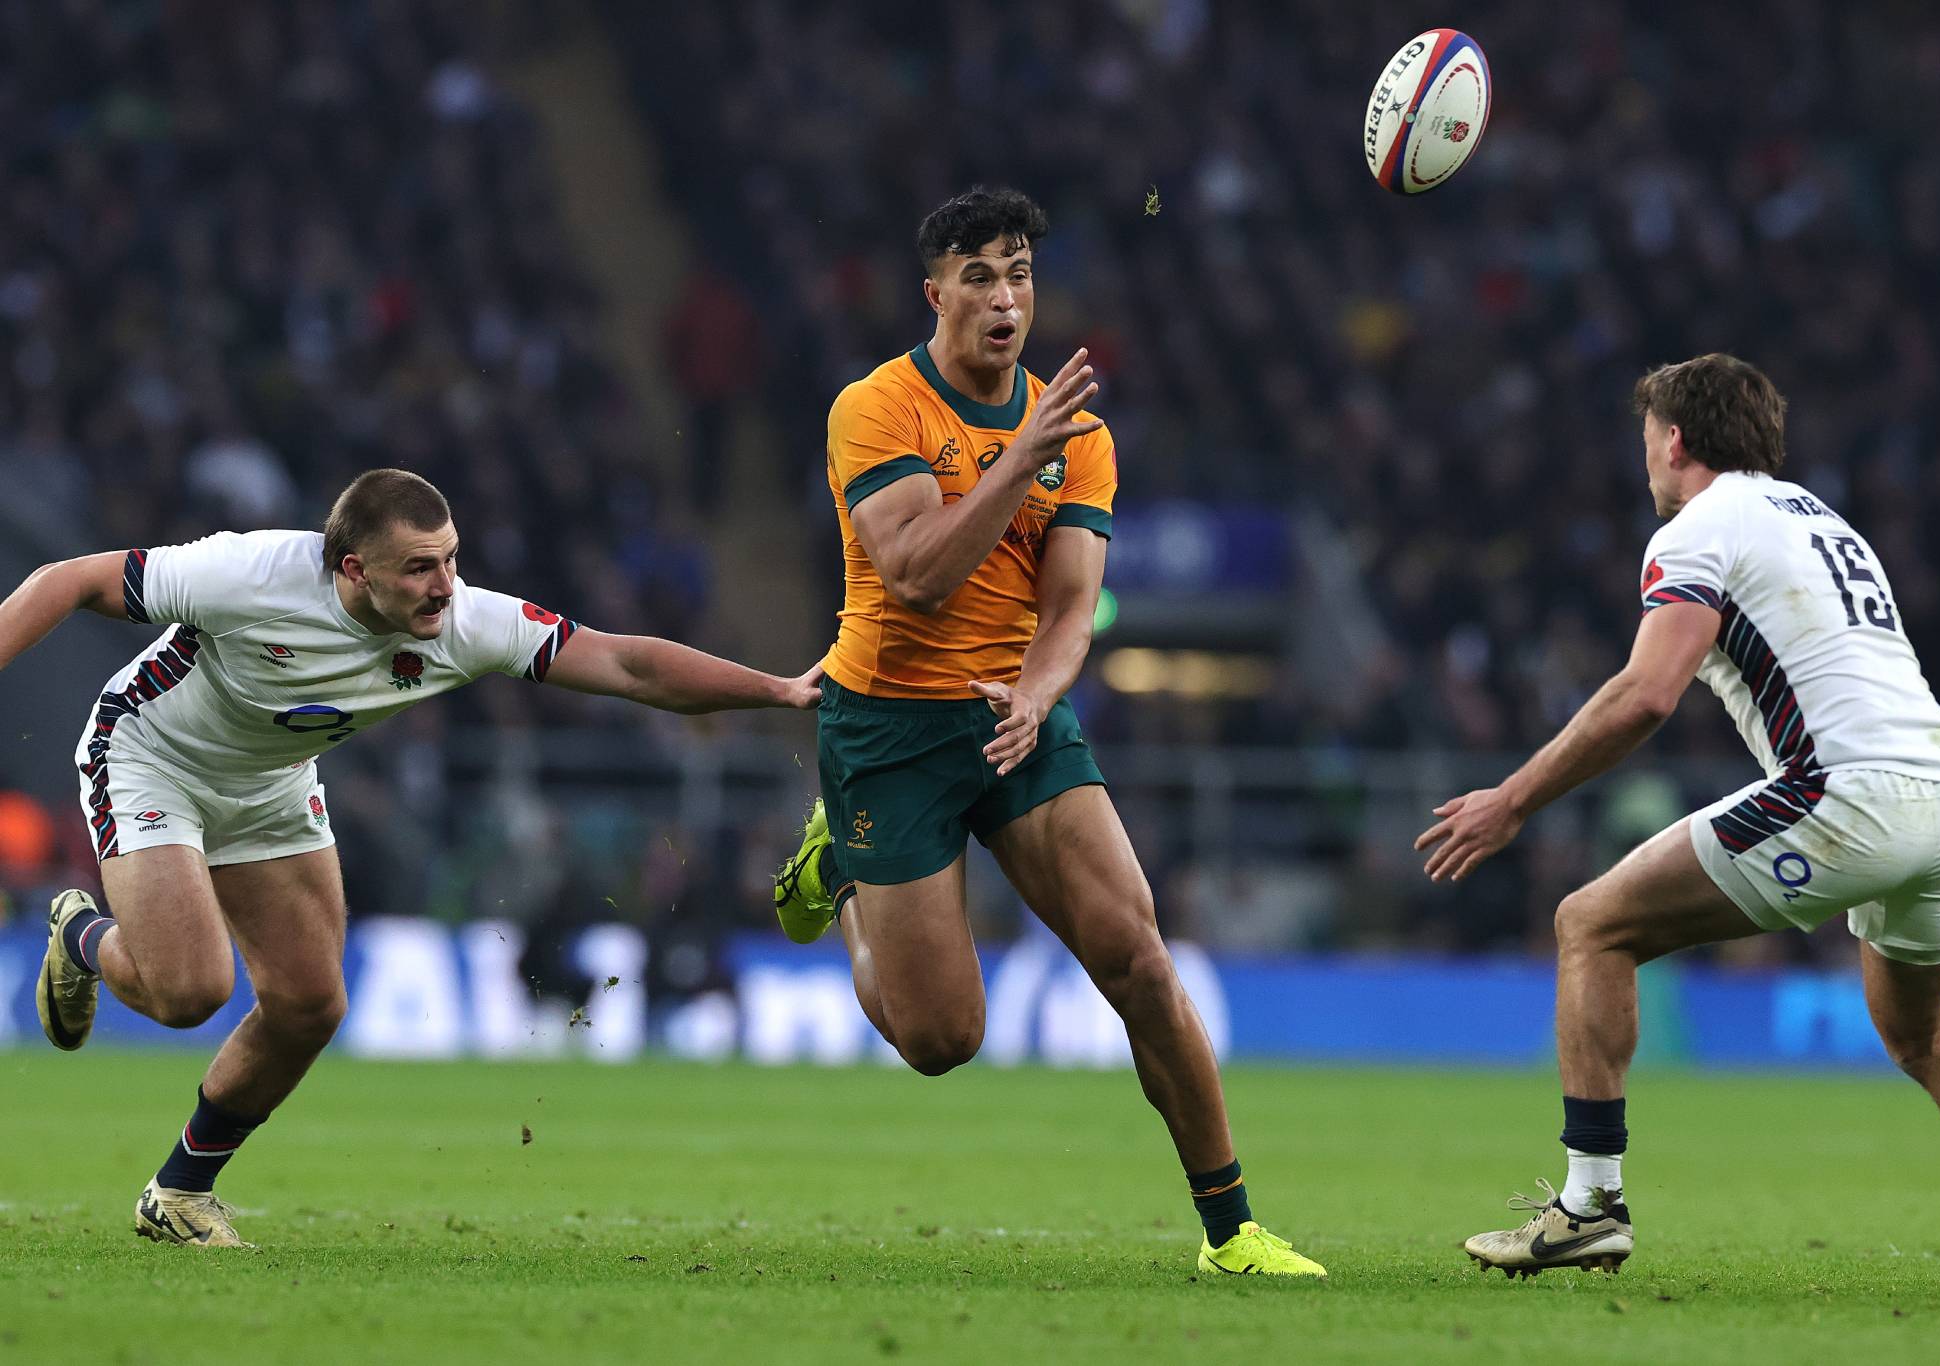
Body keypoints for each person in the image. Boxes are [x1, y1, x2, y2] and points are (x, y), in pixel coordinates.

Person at [15, 469, 821, 1247]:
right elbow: (68, 579)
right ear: (355, 570)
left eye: (452, 560)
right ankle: (81, 936)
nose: (445, 586)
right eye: (421, 568)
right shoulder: (248, 573)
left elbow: (624, 663)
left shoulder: (467, 622)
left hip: (270, 783)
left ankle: (180, 1192)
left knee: (309, 1005)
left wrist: (776, 689)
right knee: (191, 990)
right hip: (153, 755)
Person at [770, 186, 1323, 1277]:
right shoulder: (875, 409)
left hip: (1014, 719)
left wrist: (1037, 691)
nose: (1003, 294)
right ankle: (838, 874)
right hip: (885, 731)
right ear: (934, 294)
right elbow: (916, 575)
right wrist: (1017, 457)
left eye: (1018, 271)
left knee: (1138, 956)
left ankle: (1231, 1232)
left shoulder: (1079, 436)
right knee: (940, 1040)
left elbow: (1072, 607)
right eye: (977, 274)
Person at [1417, 355, 1940, 1277]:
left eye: (1648, 440)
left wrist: (1512, 797)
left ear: (1675, 439)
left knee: (1590, 925)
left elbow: (1648, 696)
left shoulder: (1696, 529)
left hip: (1847, 792)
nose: (1646, 460)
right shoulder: (1821, 518)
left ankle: (1590, 1204)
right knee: (1924, 1039)